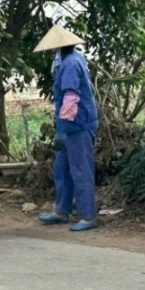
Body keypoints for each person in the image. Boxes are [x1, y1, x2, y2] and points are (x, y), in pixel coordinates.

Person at [33, 24, 99, 231]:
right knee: (62, 168)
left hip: (78, 124)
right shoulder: (69, 60)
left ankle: (88, 216)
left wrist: (62, 128)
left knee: (80, 170)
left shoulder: (70, 63)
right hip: (72, 124)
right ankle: (61, 211)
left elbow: (71, 97)